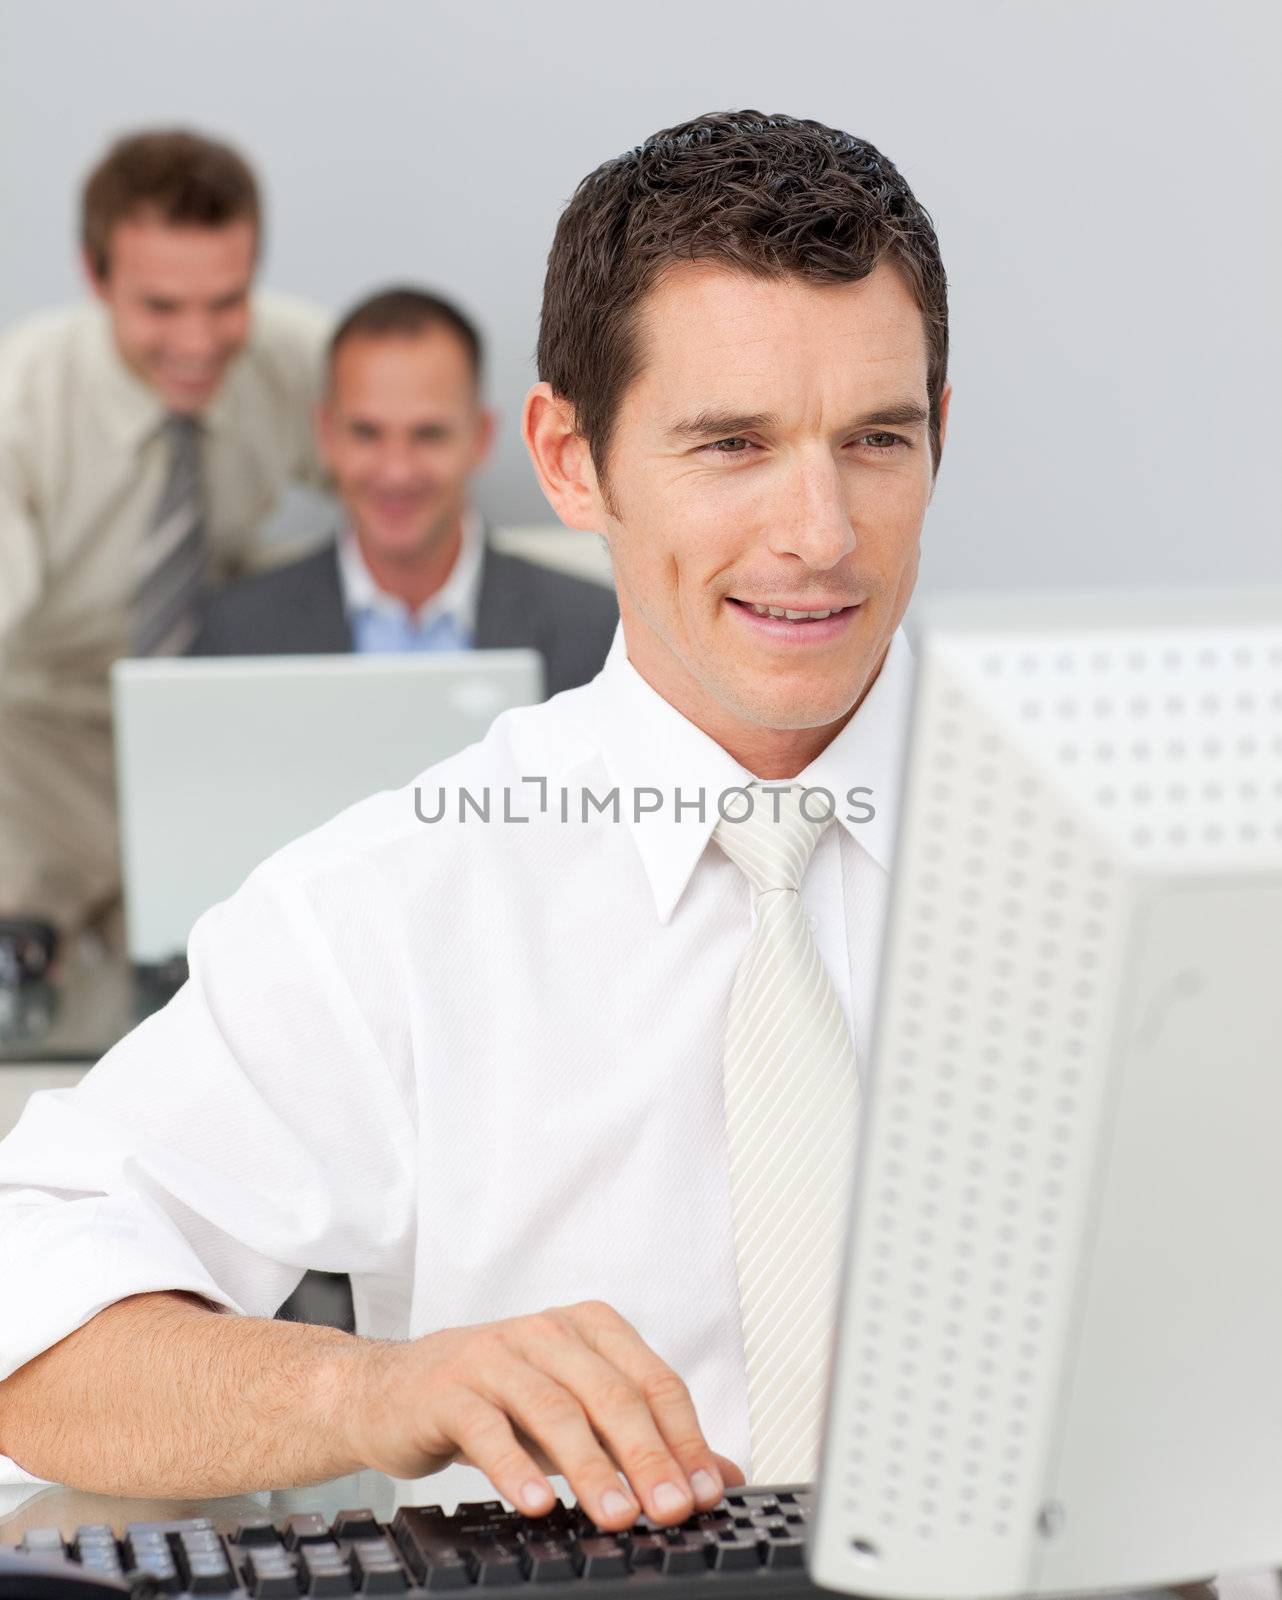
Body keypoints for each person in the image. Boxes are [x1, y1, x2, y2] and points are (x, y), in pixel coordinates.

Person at [0, 112, 950, 1523]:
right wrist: (366, 1391)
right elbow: (32, 1314)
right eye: (731, 444)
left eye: (876, 437)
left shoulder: (1143, 857)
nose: (818, 532)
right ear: (570, 463)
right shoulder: (398, 902)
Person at [0, 128, 330, 952]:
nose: (197, 342)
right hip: (40, 743)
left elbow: (405, 476)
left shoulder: (290, 356)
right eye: (160, 307)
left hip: (209, 731)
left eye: (226, 301)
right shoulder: (22, 398)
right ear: (96, 279)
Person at [191, 287, 617, 697]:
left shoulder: (600, 634)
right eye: (366, 432)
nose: (396, 471)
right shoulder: (237, 633)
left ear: (480, 438)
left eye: (429, 434)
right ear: (325, 433)